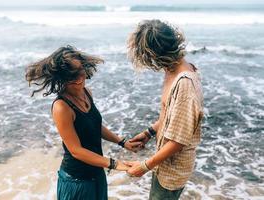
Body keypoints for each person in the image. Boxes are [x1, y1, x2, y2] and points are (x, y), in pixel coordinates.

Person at [25, 45, 143, 200]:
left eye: (80, 72)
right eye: (72, 76)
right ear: (61, 77)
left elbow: (94, 125)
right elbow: (76, 151)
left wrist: (123, 142)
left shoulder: (87, 92)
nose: (80, 79)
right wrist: (115, 164)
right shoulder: (62, 107)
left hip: (96, 174)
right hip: (77, 181)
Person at [125, 20, 204, 200]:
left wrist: (145, 166)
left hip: (172, 170)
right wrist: (149, 132)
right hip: (164, 164)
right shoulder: (175, 69)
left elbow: (178, 141)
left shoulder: (184, 83)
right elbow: (172, 116)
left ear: (154, 54)